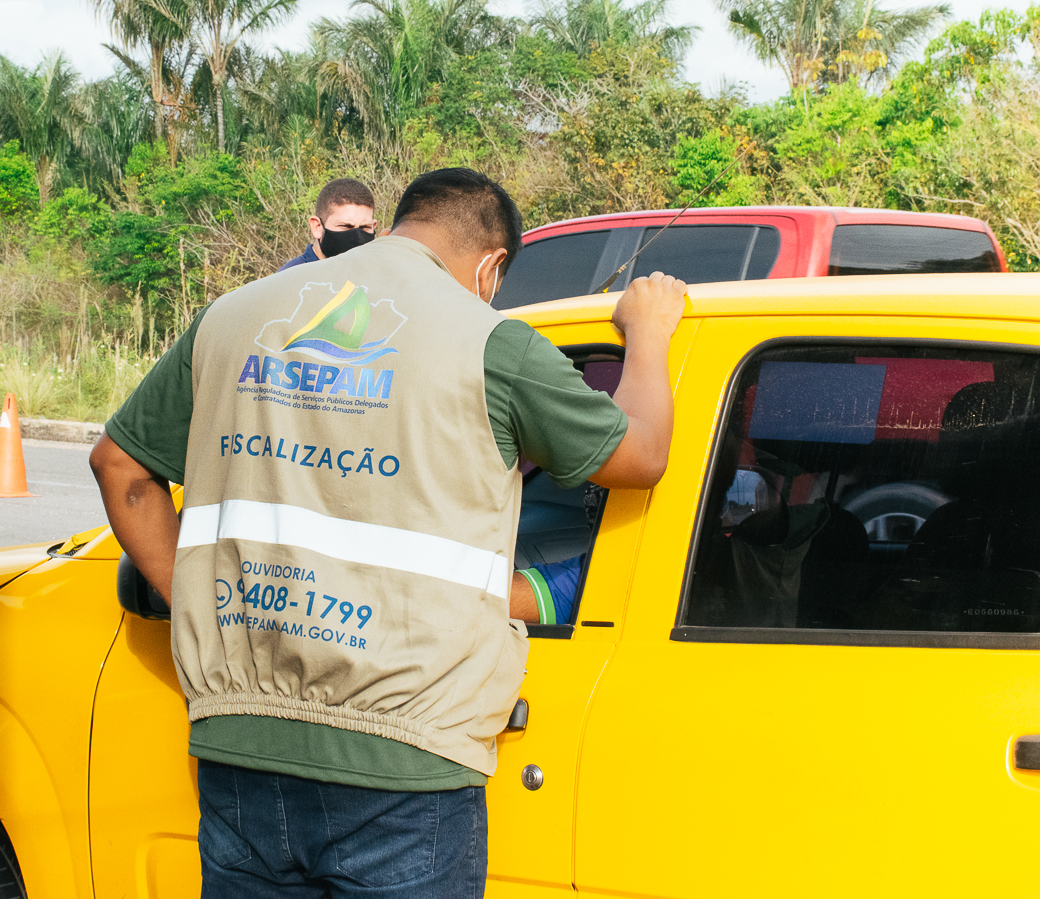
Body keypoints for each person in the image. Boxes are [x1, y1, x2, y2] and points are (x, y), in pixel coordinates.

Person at [90, 166, 688, 898]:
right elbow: (641, 454)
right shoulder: (490, 343)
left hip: (240, 745)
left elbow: (119, 465)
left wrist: (195, 597)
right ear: (492, 264)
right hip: (408, 764)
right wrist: (650, 333)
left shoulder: (234, 315)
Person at [280, 178, 377, 271]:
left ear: (374, 226)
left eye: (365, 227)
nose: (357, 237)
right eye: (346, 226)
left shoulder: (373, 273)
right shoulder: (289, 281)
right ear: (317, 227)